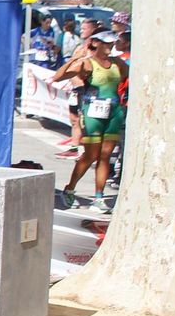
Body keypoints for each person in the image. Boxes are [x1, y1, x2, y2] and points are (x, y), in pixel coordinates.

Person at [54, 31, 127, 213]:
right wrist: (73, 59)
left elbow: (128, 77)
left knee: (105, 155)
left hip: (114, 112)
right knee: (90, 155)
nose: (110, 47)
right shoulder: (88, 63)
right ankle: (70, 188)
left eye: (112, 43)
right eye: (106, 43)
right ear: (96, 43)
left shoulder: (117, 63)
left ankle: (99, 197)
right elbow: (58, 77)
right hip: (93, 112)